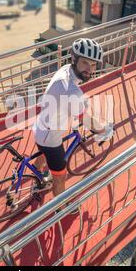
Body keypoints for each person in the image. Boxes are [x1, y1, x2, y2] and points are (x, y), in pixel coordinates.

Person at [32, 38, 114, 199]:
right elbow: (87, 120)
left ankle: (38, 178)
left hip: (41, 126)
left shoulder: (65, 70)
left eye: (93, 64)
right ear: (74, 59)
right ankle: (61, 208)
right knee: (60, 177)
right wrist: (105, 130)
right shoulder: (71, 91)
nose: (89, 69)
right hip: (50, 138)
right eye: (85, 63)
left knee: (43, 154)